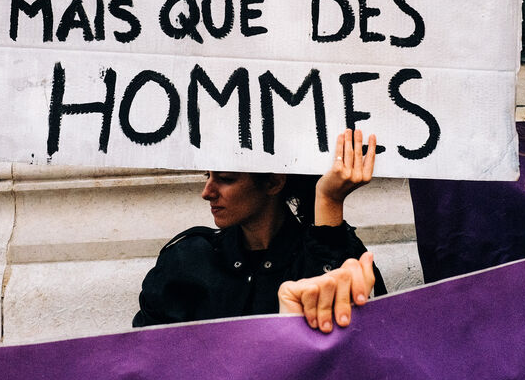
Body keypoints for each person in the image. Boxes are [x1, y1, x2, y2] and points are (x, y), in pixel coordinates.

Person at [133, 128, 386, 332]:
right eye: (207, 176)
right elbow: (146, 356)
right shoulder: (187, 259)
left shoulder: (335, 251)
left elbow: (348, 342)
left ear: (273, 182)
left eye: (225, 178)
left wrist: (328, 200)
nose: (207, 192)